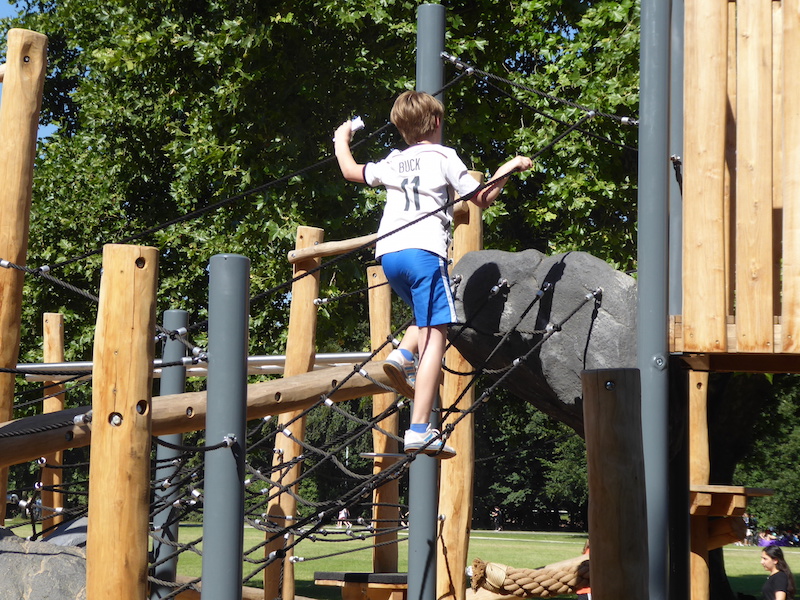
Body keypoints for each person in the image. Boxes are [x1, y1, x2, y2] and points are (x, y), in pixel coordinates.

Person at [334, 90, 533, 458]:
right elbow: (481, 198)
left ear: (401, 128)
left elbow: (350, 171)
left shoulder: (393, 160)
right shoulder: (444, 156)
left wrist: (340, 138)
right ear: (438, 121)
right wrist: (509, 168)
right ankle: (419, 429)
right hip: (424, 253)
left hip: (390, 255)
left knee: (426, 318)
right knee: (436, 339)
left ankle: (401, 356)